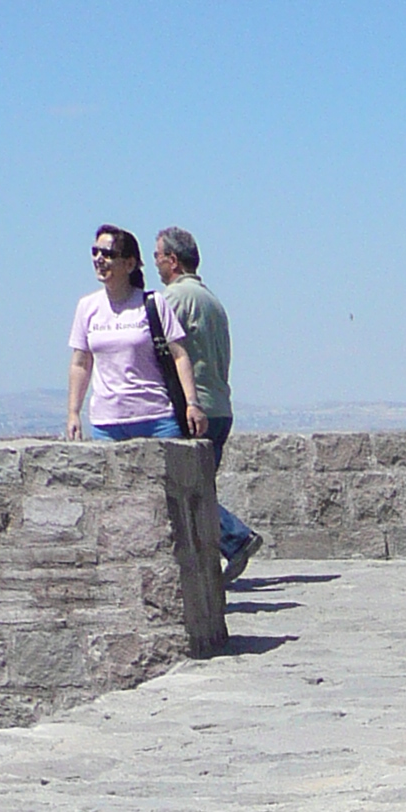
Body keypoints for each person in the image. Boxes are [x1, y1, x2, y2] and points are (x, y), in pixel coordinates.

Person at [153, 226, 262, 588]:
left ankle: (235, 538)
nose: (155, 264)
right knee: (200, 488)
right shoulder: (211, 300)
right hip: (219, 405)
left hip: (194, 405)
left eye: (157, 257)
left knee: (189, 492)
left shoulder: (175, 299)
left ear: (172, 259)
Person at [65, 225, 206, 451]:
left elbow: (179, 355)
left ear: (129, 264)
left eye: (109, 254)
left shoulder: (152, 303)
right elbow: (80, 363)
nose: (100, 259)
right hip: (107, 422)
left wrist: (192, 403)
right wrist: (73, 413)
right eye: (95, 252)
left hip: (155, 418)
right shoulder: (87, 307)